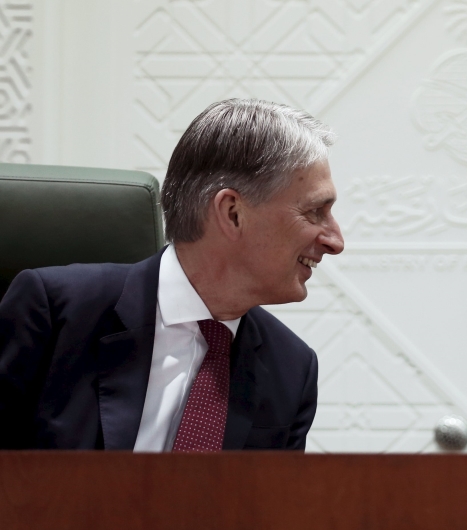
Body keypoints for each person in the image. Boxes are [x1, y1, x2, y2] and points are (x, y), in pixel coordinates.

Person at [0, 99, 344, 451]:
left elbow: (266, 506)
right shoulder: (55, 313)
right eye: (315, 212)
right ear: (232, 213)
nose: (336, 241)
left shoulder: (291, 369)